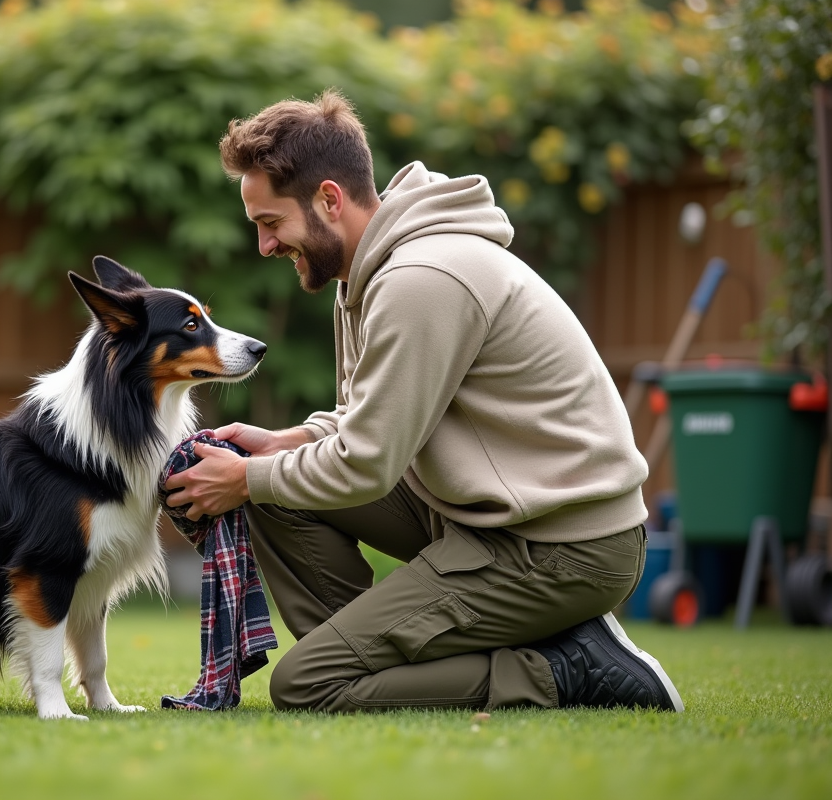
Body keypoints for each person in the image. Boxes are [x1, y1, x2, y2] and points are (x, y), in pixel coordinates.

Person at [162, 89, 683, 714]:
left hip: (560, 547)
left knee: (307, 684)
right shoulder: (364, 273)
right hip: (481, 515)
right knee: (281, 498)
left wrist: (246, 477)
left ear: (329, 199)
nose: (265, 247)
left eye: (272, 224)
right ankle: (373, 654)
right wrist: (286, 444)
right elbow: (371, 418)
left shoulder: (423, 280)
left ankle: (563, 667)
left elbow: (367, 462)